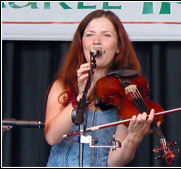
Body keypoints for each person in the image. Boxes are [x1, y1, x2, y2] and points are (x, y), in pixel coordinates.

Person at [44, 9, 156, 167]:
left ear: (118, 47)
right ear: (81, 43)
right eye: (90, 34)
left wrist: (132, 139)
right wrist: (81, 95)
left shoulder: (125, 92)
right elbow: (52, 137)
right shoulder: (62, 86)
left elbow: (114, 161)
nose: (97, 41)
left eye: (106, 35)